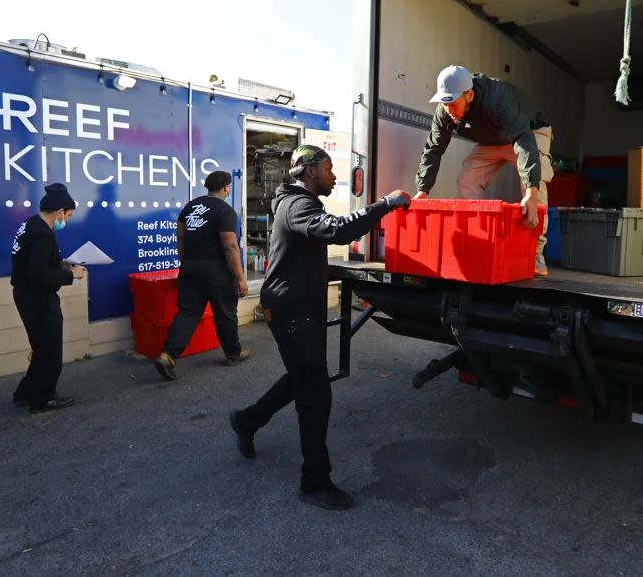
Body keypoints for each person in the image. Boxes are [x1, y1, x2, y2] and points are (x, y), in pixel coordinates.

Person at [229, 145, 411, 510]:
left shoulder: (296, 203)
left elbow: (306, 251)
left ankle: (247, 420)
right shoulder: (299, 205)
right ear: (309, 171)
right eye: (328, 168)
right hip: (292, 312)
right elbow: (337, 231)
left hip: (294, 308)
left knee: (302, 378)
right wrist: (386, 204)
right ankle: (314, 483)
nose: (333, 176)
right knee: (315, 395)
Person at [414, 64, 554, 277]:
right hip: (494, 138)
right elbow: (433, 149)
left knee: (533, 185)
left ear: (469, 95)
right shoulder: (445, 112)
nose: (448, 109)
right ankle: (483, 241)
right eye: (444, 103)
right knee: (467, 180)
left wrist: (530, 192)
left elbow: (523, 140)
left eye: (453, 103)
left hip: (529, 132)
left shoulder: (497, 97)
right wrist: (422, 190)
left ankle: (535, 252)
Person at [155, 171, 250, 379]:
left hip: (190, 268)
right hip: (216, 271)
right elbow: (230, 247)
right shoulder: (225, 211)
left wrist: (185, 262)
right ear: (226, 187)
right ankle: (233, 353)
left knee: (187, 313)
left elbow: (180, 238)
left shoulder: (190, 207)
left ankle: (168, 355)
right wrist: (241, 278)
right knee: (225, 312)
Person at [10, 183, 86, 413]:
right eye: (68, 215)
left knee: (41, 346)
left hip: (25, 295)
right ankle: (42, 398)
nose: (68, 221)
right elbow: (39, 273)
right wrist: (70, 274)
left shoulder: (30, 224)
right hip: (38, 299)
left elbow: (37, 262)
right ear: (59, 211)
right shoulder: (43, 234)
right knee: (50, 350)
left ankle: (25, 393)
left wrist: (62, 264)